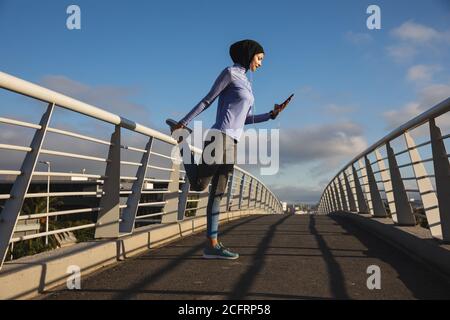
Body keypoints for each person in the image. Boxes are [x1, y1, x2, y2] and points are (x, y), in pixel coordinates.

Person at [167, 39, 292, 260]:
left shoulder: (247, 82)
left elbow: (246, 119)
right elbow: (207, 100)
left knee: (218, 193)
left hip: (233, 142)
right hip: (219, 137)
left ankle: (212, 245)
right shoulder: (230, 73)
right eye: (260, 58)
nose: (261, 64)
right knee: (198, 185)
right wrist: (182, 123)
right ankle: (181, 139)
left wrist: (271, 115)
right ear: (249, 54)